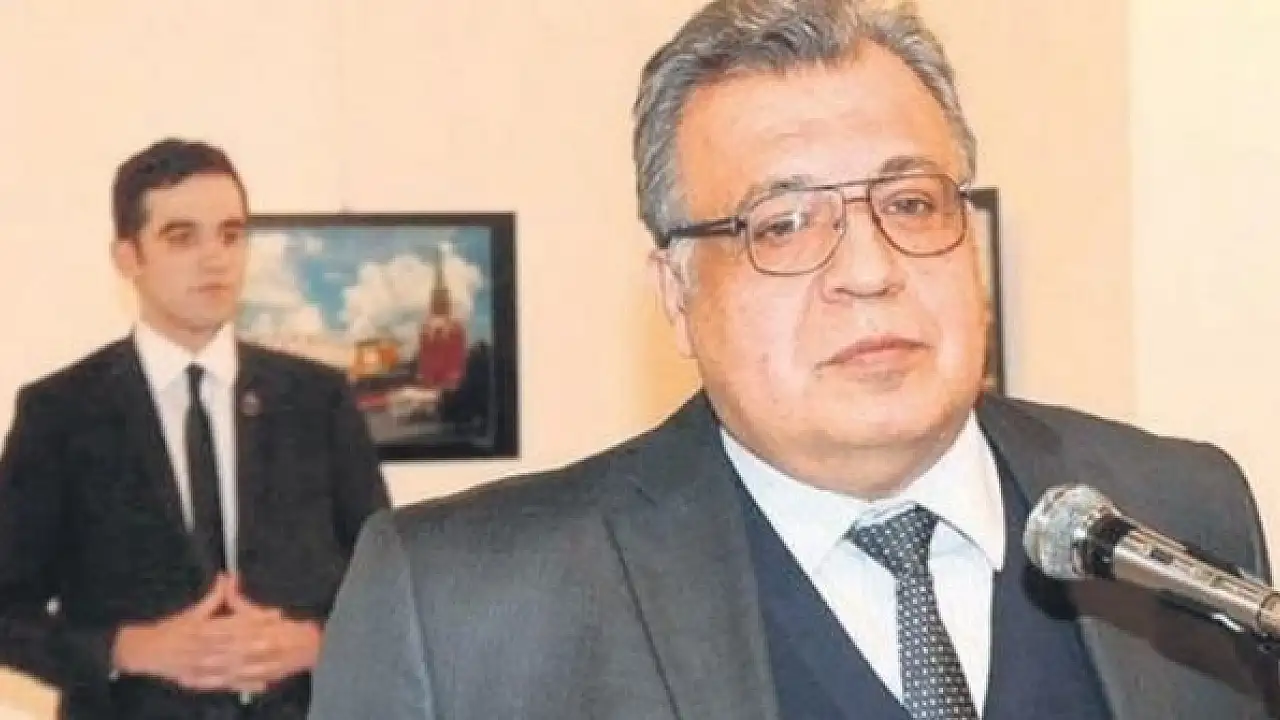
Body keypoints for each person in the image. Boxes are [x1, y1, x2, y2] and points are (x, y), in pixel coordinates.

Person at [307, 1, 1280, 718]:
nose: (868, 270)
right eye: (781, 224)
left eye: (910, 204)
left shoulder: (1175, 507)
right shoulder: (464, 604)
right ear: (676, 292)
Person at [0, 138, 391, 719]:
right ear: (128, 258)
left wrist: (319, 642)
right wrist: (125, 649)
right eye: (182, 237)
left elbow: (386, 582)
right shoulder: (61, 413)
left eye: (231, 235)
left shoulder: (318, 400)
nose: (215, 259)